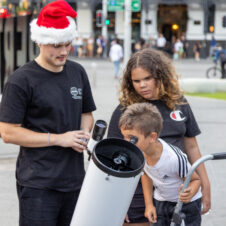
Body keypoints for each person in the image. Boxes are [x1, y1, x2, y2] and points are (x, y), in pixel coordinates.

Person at [0, 1, 96, 226]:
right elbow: (7, 132)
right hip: (38, 185)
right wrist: (59, 139)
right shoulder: (21, 80)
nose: (63, 51)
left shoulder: (77, 72)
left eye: (67, 44)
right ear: (39, 41)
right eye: (56, 45)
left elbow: (87, 114)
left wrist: (83, 134)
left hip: (75, 181)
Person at [107, 48, 211, 226]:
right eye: (136, 81)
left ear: (160, 76)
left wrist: (205, 186)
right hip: (138, 190)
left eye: (147, 78)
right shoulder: (125, 109)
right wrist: (117, 200)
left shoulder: (179, 103)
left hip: (175, 190)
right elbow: (114, 158)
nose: (142, 85)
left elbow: (192, 148)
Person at [119, 102, 202, 225]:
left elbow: (196, 180)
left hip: (186, 205)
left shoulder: (174, 158)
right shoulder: (140, 152)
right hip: (161, 201)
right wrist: (149, 205)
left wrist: (190, 192)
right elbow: (146, 174)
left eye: (132, 138)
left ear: (152, 137)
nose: (128, 143)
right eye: (125, 137)